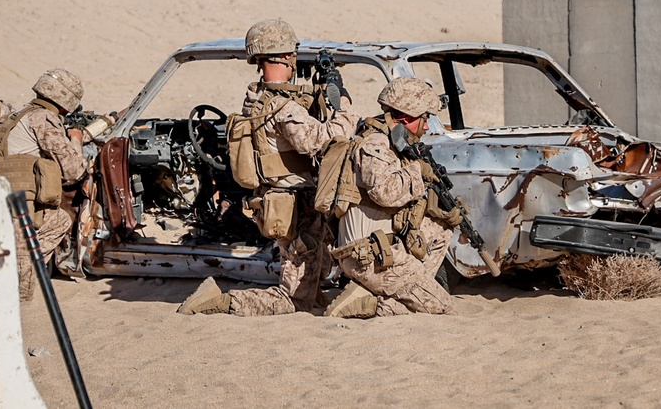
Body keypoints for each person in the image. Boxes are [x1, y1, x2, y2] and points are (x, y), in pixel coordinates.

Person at [178, 19, 359, 317]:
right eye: (292, 55)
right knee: (295, 300)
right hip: (296, 207)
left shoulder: (258, 99)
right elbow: (323, 140)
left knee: (312, 281)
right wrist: (346, 108)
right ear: (285, 57)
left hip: (283, 202)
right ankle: (222, 301)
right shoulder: (282, 108)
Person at [325, 76, 456, 318]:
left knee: (441, 227)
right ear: (407, 116)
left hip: (382, 245)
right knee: (441, 307)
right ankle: (371, 302)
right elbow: (384, 192)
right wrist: (418, 171)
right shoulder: (375, 143)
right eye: (424, 118)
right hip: (368, 255)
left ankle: (403, 287)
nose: (426, 127)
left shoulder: (393, 141)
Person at [0, 68, 89, 301]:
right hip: (20, 209)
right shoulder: (43, 118)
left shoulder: (17, 115)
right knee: (19, 286)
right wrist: (76, 139)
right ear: (66, 102)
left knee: (59, 220)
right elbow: (73, 170)